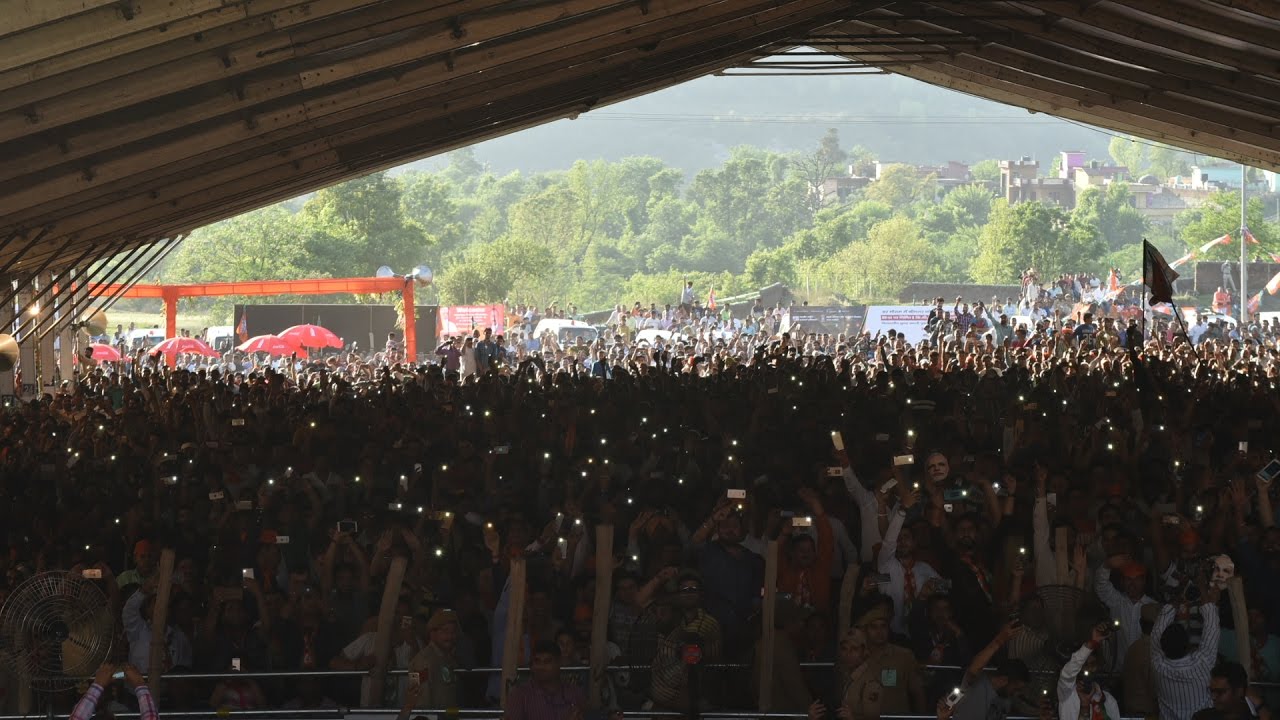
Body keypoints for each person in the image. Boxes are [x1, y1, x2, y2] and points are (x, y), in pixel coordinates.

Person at [1152, 580, 1222, 720]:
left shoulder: (1157, 663)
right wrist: (1201, 584)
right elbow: (1212, 623)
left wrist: (1179, 591)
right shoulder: (1203, 663)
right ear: (1189, 644)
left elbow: (1159, 625)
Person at [952, 622, 1028, 720]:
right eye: (1016, 688)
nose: (1017, 693)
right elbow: (974, 667)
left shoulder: (1006, 700)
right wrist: (999, 640)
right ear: (1003, 680)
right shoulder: (976, 685)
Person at [505, 641, 588, 720]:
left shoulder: (575, 693)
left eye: (547, 661)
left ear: (559, 663)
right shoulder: (520, 696)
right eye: (537, 661)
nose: (541, 667)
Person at [1057, 623, 1121, 720]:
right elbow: (1067, 673)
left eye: (1092, 665)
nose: (1088, 669)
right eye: (1085, 665)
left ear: (1098, 666)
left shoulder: (1109, 701)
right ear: (1078, 668)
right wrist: (1092, 643)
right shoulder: (1067, 694)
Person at [408, 610, 461, 710]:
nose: (450, 636)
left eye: (453, 632)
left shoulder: (447, 658)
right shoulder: (423, 660)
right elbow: (419, 702)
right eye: (445, 631)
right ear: (432, 633)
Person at [72, 664, 155, 720]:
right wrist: (139, 683)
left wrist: (98, 684)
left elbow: (78, 716)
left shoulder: (117, 706)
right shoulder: (122, 708)